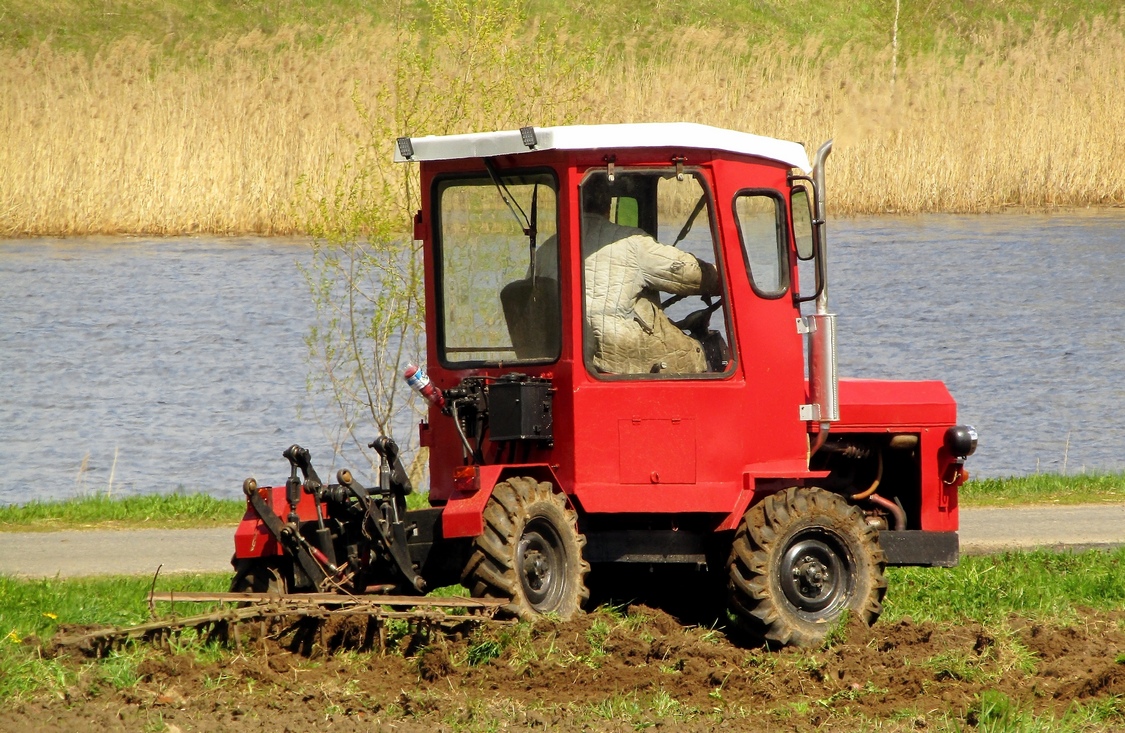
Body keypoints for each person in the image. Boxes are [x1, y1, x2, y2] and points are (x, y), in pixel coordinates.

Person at [567, 175, 720, 374]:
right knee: (703, 352)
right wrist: (721, 275)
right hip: (620, 355)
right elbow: (688, 273)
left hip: (577, 354)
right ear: (609, 206)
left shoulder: (549, 247)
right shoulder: (630, 242)